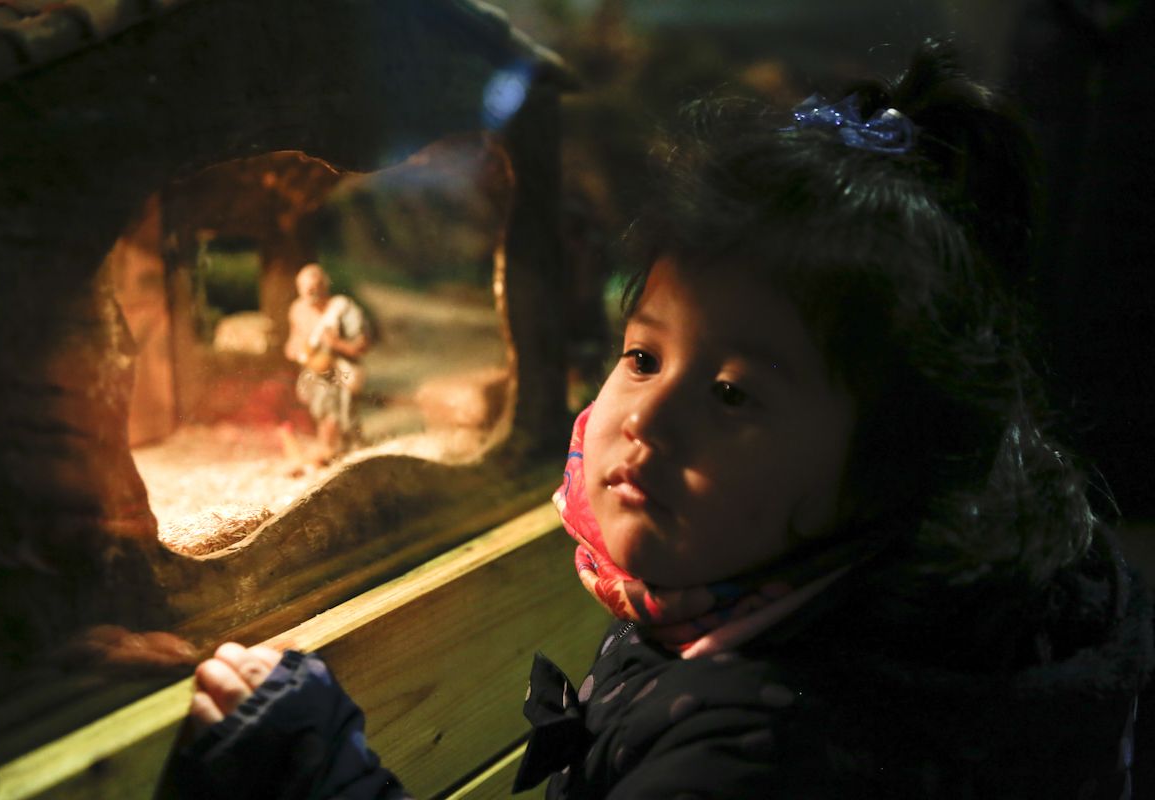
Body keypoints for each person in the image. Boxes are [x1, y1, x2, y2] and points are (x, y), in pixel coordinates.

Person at [174, 42, 1153, 798]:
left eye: (732, 393)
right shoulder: (778, 594)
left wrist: (319, 771)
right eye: (641, 355)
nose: (646, 417)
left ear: (890, 463)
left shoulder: (765, 754)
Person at [284, 263, 371, 463]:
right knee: (322, 411)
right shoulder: (298, 310)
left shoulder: (343, 309)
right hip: (315, 372)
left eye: (316, 287)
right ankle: (330, 449)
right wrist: (295, 350)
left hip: (343, 371)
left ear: (325, 286)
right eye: (306, 289)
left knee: (343, 418)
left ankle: (342, 450)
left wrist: (336, 344)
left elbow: (361, 346)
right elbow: (293, 341)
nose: (311, 293)